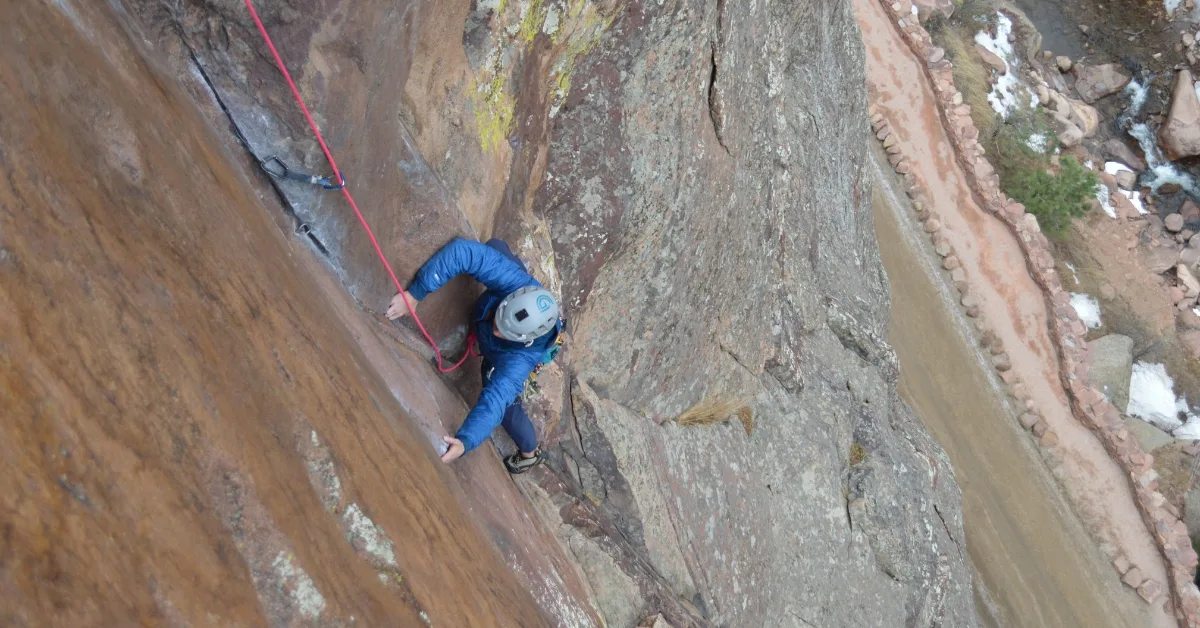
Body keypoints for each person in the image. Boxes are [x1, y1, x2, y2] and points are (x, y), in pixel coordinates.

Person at [386, 237, 562, 473]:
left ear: (523, 340)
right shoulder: (517, 285)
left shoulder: (519, 360)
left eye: (504, 332)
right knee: (496, 247)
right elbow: (464, 252)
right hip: (519, 302)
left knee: (505, 406)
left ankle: (529, 453)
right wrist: (414, 294)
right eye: (498, 320)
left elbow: (495, 403)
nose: (495, 330)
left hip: (504, 356)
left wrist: (466, 441)